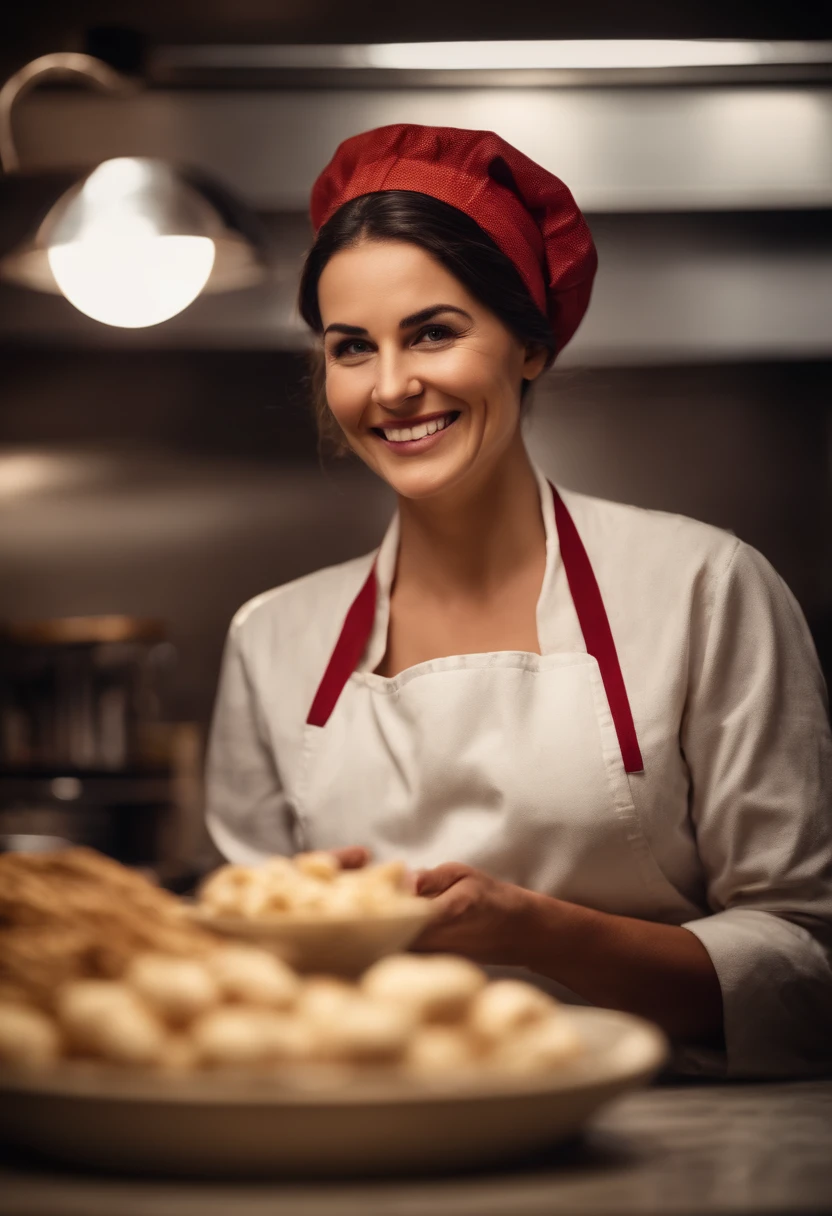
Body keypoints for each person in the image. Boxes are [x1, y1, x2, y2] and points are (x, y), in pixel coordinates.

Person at [205, 123, 832, 1077]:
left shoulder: (703, 586)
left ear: (530, 344)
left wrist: (536, 931)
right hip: (368, 1141)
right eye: (351, 348)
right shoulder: (273, 637)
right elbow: (241, 974)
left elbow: (805, 964)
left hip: (678, 1146)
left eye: (434, 333)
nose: (394, 387)